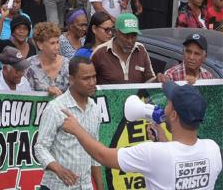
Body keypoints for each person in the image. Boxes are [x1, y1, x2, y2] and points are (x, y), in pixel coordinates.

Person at [61, 81, 222, 190]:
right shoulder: (212, 149)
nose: (164, 106)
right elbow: (178, 160)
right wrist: (161, 136)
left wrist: (77, 129)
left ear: (173, 115)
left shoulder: (155, 153)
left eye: (168, 103)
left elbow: (102, 155)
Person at [35, 56, 103, 190]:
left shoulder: (95, 108)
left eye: (94, 77)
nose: (92, 82)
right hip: (56, 186)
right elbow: (40, 148)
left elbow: (94, 152)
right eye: (86, 78)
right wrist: (59, 170)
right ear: (71, 80)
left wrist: (100, 187)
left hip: (85, 186)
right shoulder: (56, 108)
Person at [90, 13, 155, 85]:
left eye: (134, 36)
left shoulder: (141, 50)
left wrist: (157, 80)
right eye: (126, 36)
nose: (130, 41)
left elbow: (149, 81)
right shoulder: (100, 52)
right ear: (115, 33)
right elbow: (88, 82)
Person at [0, 0, 32, 79]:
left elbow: (29, 40)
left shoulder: (26, 18)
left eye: (17, 2)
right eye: (11, 2)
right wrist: (2, 18)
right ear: (5, 2)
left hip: (18, 69)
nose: (14, 5)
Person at [25, 22, 70, 97]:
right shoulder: (29, 66)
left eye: (57, 42)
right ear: (40, 45)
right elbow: (26, 96)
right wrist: (47, 91)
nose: (57, 47)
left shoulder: (67, 64)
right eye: (52, 43)